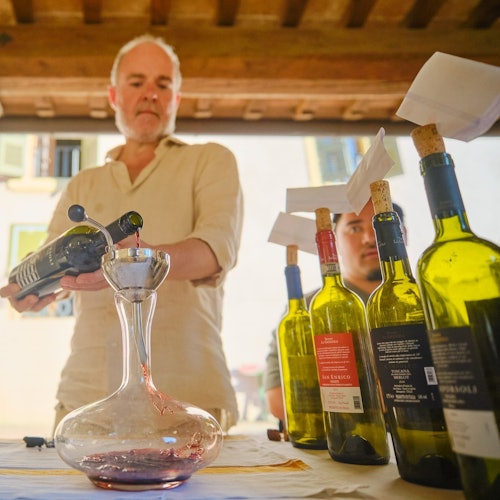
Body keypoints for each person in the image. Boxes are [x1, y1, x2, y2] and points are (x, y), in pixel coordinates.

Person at [0, 34, 243, 433]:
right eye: (136, 82)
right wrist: (32, 290)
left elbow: (214, 253)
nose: (150, 93)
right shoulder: (83, 183)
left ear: (176, 99)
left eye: (163, 84)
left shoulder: (211, 161)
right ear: (114, 96)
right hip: (86, 402)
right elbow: (56, 268)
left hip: (188, 402)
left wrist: (133, 264)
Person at [263, 200, 405, 424]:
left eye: (378, 225)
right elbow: (280, 402)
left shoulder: (428, 297)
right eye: (355, 228)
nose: (369, 238)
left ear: (402, 233)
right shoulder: (307, 310)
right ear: (334, 240)